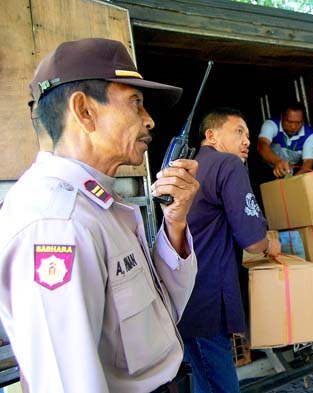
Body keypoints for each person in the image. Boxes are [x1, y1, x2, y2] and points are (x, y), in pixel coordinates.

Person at [0, 38, 200, 392]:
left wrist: (175, 222)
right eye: (135, 103)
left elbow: (162, 312)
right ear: (85, 111)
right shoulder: (55, 225)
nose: (149, 120)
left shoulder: (100, 206)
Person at [178, 107, 282, 393]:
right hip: (208, 301)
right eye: (239, 132)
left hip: (186, 298)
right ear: (211, 135)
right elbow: (252, 240)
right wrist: (270, 244)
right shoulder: (228, 164)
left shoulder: (190, 168)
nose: (247, 141)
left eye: (248, 135)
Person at [257, 101, 313, 177]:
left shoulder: (310, 135)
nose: (293, 127)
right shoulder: (271, 125)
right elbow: (262, 145)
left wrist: (294, 180)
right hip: (267, 170)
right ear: (282, 117)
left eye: (298, 123)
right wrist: (277, 161)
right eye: (289, 122)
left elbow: (308, 162)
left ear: (303, 121)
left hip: (291, 173)